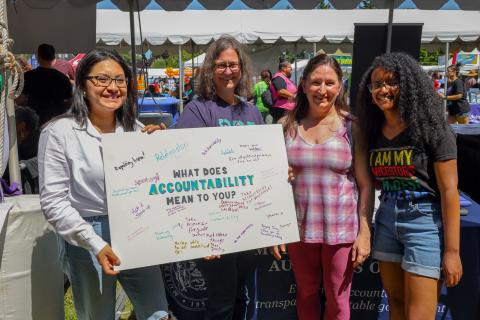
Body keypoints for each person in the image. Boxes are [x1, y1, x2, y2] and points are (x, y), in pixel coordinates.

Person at [38, 49, 170, 320]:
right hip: (88, 232)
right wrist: (94, 243)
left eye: (120, 80)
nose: (113, 87)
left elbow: (157, 186)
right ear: (82, 86)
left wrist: (165, 149)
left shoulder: (135, 129)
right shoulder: (59, 132)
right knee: (97, 315)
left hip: (137, 227)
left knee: (158, 313)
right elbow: (53, 201)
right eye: (101, 79)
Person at [357, 52, 463, 319]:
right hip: (386, 219)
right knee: (396, 304)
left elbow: (450, 191)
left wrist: (452, 251)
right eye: (376, 84)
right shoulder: (373, 130)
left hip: (425, 222)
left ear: (409, 83)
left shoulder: (432, 126)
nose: (382, 90)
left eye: (390, 82)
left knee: (418, 315)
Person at [272, 54, 373, 320]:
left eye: (330, 83)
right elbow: (272, 183)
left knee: (338, 300)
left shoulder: (352, 127)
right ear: (303, 85)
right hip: (299, 228)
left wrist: (365, 233)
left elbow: (365, 185)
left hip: (340, 229)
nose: (322, 90)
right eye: (316, 82)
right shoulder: (285, 127)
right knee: (305, 292)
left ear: (340, 86)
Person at [175, 35, 263, 320]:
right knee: (221, 299)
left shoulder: (251, 111)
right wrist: (204, 234)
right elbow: (187, 165)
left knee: (240, 293)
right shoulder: (198, 109)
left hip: (247, 221)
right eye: (222, 65)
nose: (228, 71)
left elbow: (262, 161)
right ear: (210, 69)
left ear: (242, 69)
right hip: (213, 223)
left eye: (234, 65)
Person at [16, 43, 72, 126]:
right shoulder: (63, 78)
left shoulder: (28, 76)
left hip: (35, 123)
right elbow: (70, 101)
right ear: (53, 58)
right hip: (57, 123)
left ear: (38, 58)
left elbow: (19, 100)